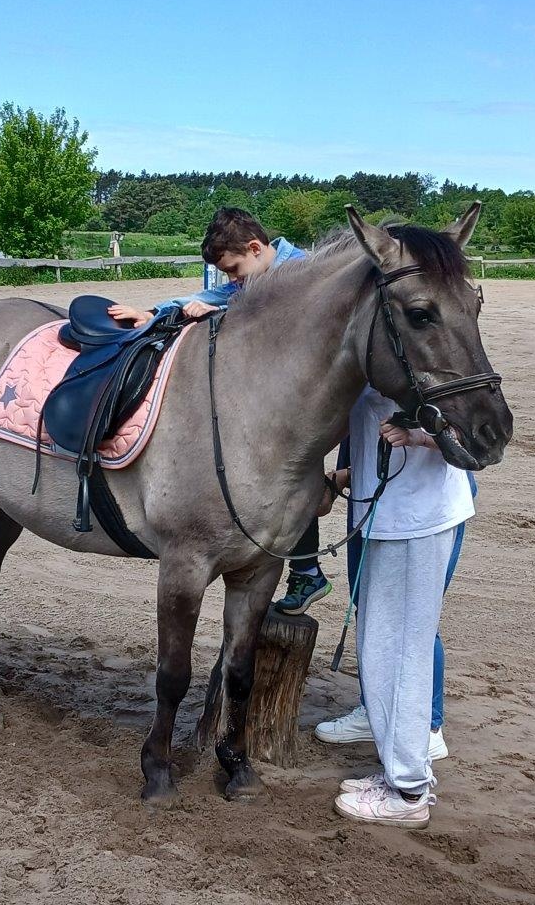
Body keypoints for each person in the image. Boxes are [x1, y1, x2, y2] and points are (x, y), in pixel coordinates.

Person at [108, 207, 333, 606]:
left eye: (233, 269)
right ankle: (304, 569)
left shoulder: (303, 275)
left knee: (294, 470)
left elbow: (275, 320)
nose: (232, 279)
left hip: (304, 398)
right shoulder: (258, 273)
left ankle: (306, 570)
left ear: (255, 248)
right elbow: (211, 297)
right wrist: (155, 313)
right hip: (275, 391)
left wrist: (225, 312)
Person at [322, 387, 475, 828]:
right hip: (389, 517)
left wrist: (423, 436)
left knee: (404, 652)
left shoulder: (428, 361)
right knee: (381, 648)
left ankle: (409, 791)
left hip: (416, 521)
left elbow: (477, 436)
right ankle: (397, 771)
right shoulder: (378, 358)